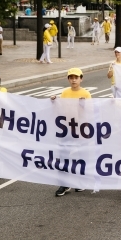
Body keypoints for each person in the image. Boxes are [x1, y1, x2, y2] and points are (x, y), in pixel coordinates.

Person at [50, 68, 91, 196]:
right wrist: (54, 100)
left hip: (81, 129)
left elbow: (91, 112)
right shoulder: (65, 93)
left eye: (76, 77)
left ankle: (81, 182)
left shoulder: (86, 94)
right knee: (64, 156)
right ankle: (64, 184)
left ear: (81, 79)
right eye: (71, 77)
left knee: (81, 157)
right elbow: (61, 108)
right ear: (68, 79)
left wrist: (84, 105)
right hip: (67, 129)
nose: (74, 80)